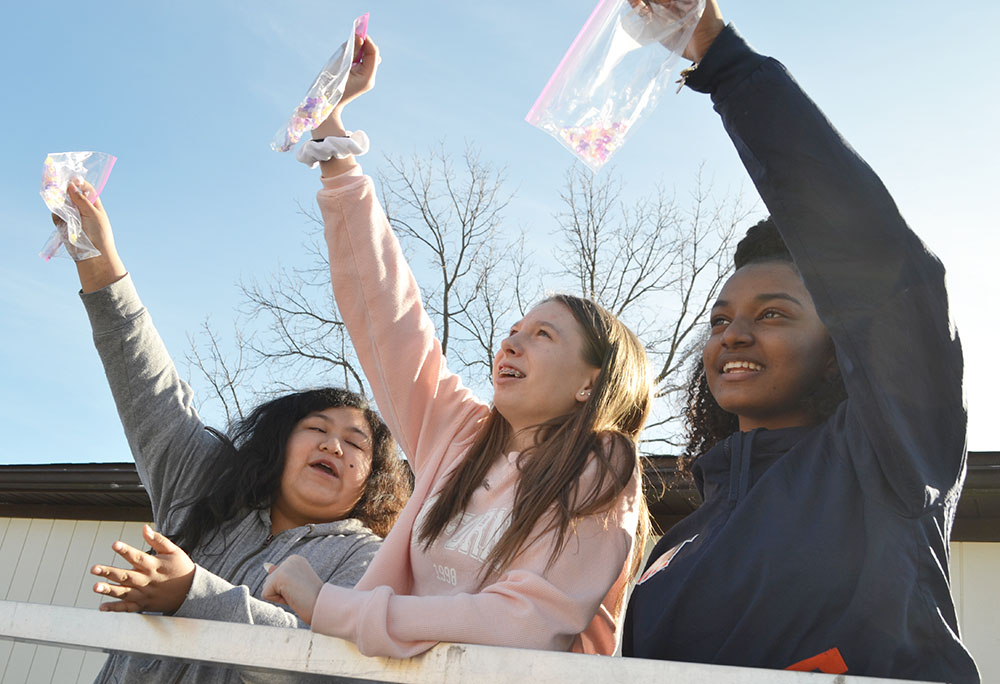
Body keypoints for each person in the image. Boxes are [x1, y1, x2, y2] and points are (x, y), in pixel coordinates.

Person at [261, 35, 653, 658]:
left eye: (543, 335)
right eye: (514, 330)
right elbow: (387, 313)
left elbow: (525, 623)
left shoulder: (602, 468)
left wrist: (330, 605)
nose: (513, 341)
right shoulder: (458, 434)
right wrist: (335, 144)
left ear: (591, 382)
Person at [622, 2, 979, 682]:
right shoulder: (682, 544)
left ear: (840, 344)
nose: (735, 335)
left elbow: (885, 266)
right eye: (720, 319)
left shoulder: (881, 463)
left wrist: (716, 53)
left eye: (775, 313)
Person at [53, 182, 411, 683]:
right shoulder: (204, 483)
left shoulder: (367, 560)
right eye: (316, 428)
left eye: (356, 445)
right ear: (280, 443)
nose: (334, 444)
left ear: (372, 478)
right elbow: (145, 382)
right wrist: (96, 254)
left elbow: (331, 670)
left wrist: (194, 595)